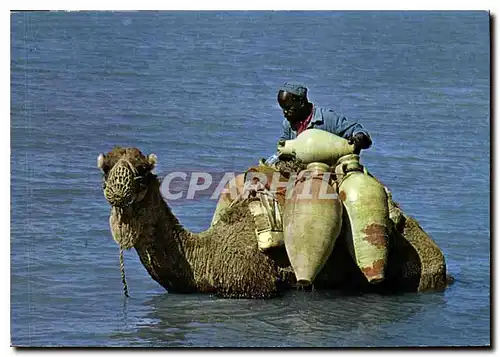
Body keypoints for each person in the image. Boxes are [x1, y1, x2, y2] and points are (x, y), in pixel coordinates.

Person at [277, 82, 372, 154]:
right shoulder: (288, 124)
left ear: (301, 102)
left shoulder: (325, 118)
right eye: (283, 108)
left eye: (289, 108)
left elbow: (355, 129)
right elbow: (285, 144)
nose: (285, 113)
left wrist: (359, 137)